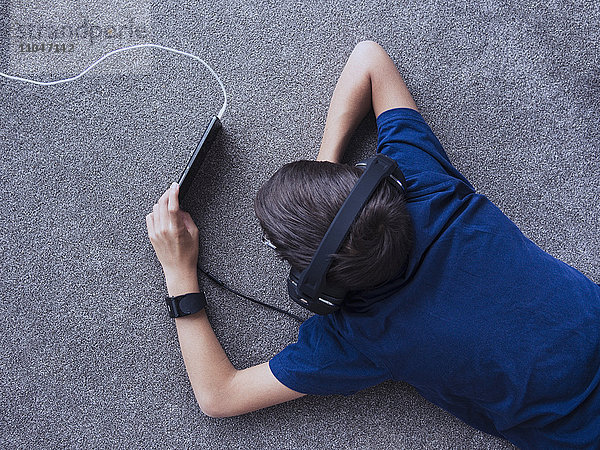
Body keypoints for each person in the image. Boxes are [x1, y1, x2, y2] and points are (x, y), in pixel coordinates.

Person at [145, 40, 600, 448]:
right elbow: (369, 57)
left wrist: (179, 271)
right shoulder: (424, 185)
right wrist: (327, 178)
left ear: (317, 290)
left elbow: (218, 396)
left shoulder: (362, 335)